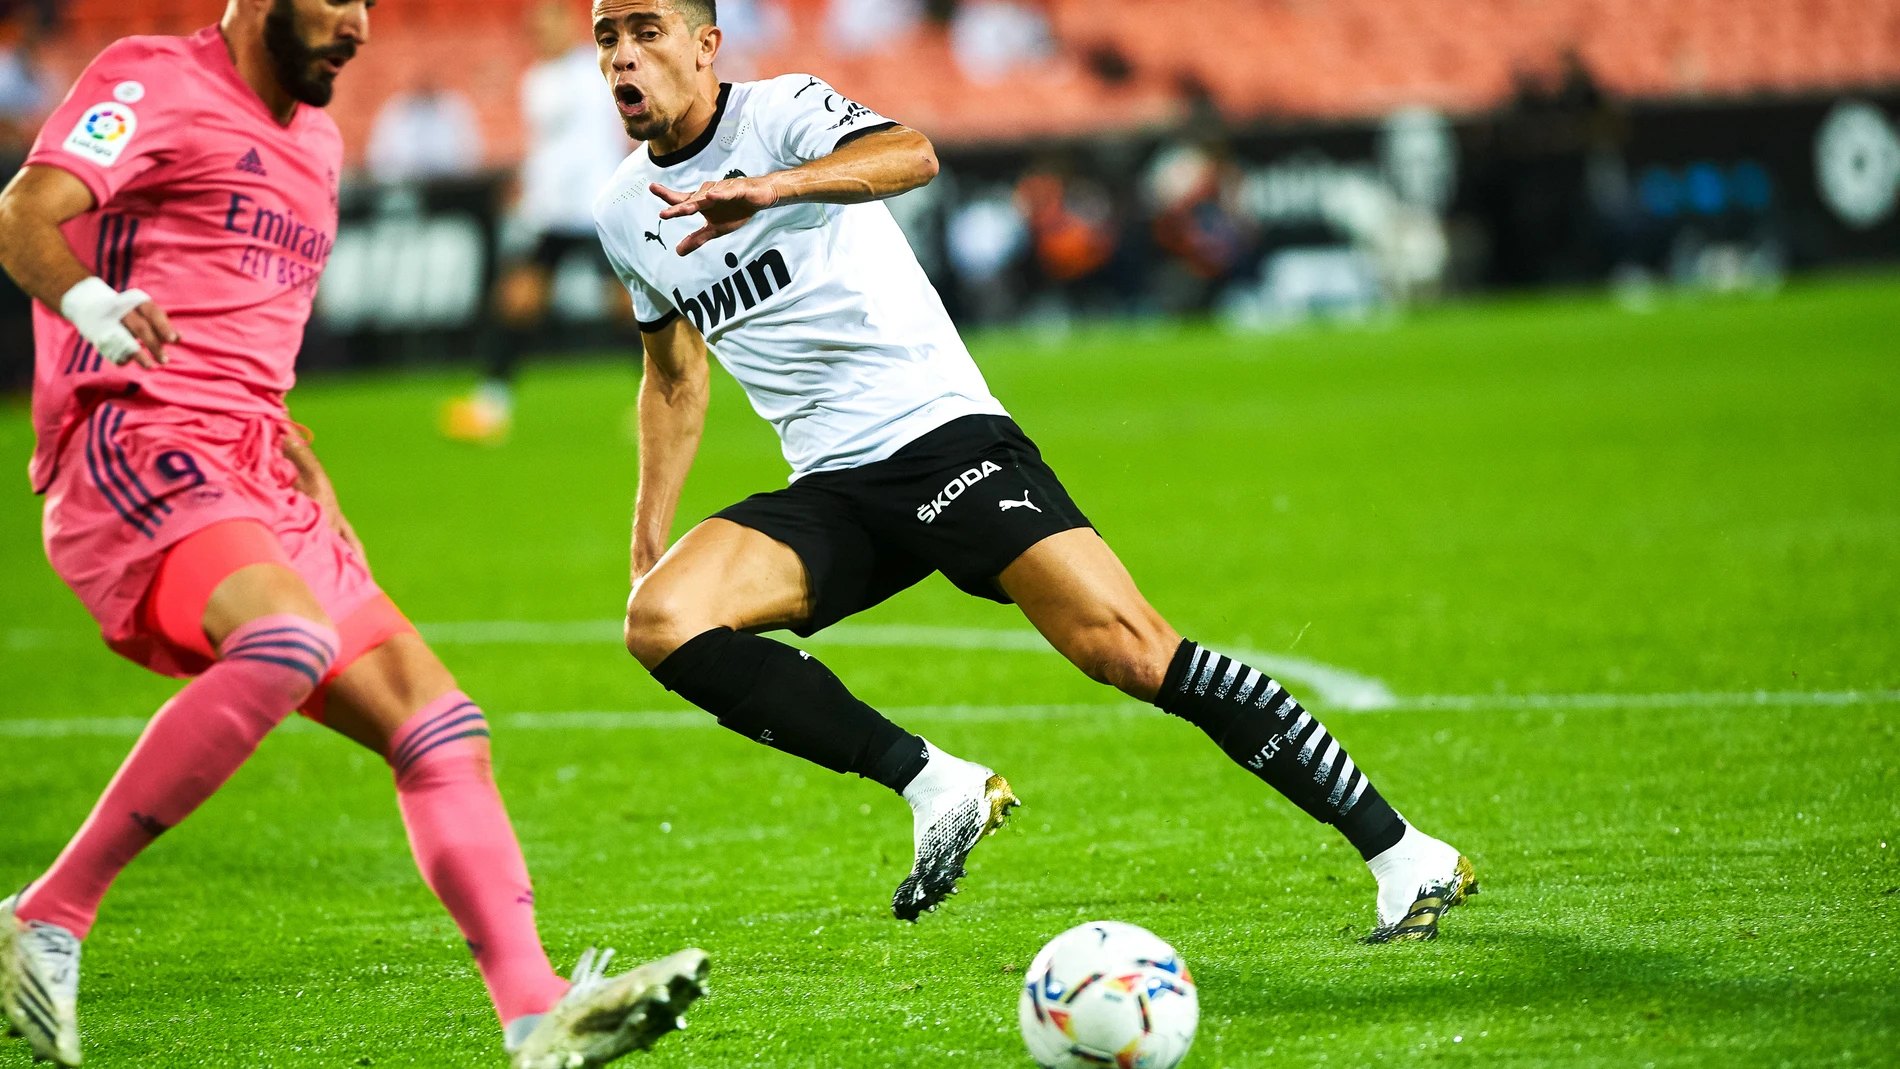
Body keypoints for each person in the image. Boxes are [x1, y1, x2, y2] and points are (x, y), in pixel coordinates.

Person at [591, 0, 1480, 935]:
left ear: (705, 44)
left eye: (647, 30)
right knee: (662, 619)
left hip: (942, 439)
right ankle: (937, 785)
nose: (624, 57)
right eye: (608, 37)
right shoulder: (622, 212)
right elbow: (674, 377)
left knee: (1132, 651)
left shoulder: (779, 114)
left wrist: (772, 189)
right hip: (833, 487)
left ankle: (1404, 853)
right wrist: (648, 544)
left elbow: (912, 154)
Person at [0, 0, 705, 1065]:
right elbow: (24, 212)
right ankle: (46, 917)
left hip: (257, 463)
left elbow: (247, 328)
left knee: (441, 727)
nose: (359, 24)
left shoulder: (319, 144)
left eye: (368, 3)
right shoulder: (151, 79)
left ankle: (535, 1011)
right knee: (286, 642)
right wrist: (91, 302)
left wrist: (290, 441)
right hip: (136, 437)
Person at [440, 0, 632, 445]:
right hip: (551, 214)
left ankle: (661, 396)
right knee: (517, 302)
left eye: (549, 24)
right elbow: (546, 150)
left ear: (569, 26)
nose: (542, 33)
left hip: (597, 206)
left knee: (630, 307)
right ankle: (492, 405)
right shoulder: (535, 80)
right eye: (536, 27)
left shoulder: (598, 69)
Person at [365, 73, 484, 185]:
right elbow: (378, 157)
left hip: (450, 185)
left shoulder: (454, 107)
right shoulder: (396, 110)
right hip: (405, 186)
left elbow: (471, 154)